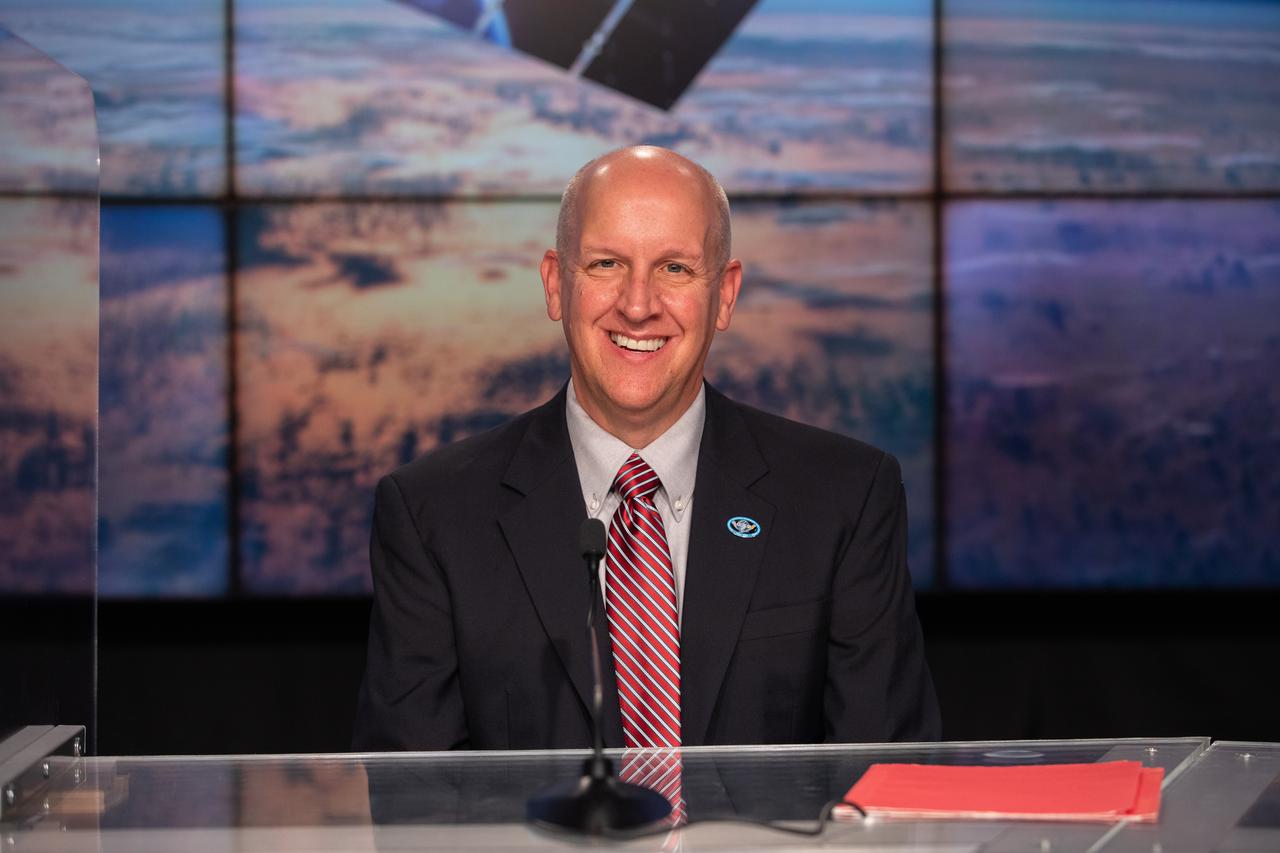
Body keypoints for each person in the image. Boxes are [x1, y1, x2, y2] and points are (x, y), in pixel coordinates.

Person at [353, 146, 939, 752]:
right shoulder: (433, 515)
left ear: (726, 295)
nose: (637, 305)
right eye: (606, 263)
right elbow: (414, 810)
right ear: (556, 285)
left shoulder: (844, 498)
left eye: (675, 270)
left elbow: (888, 787)